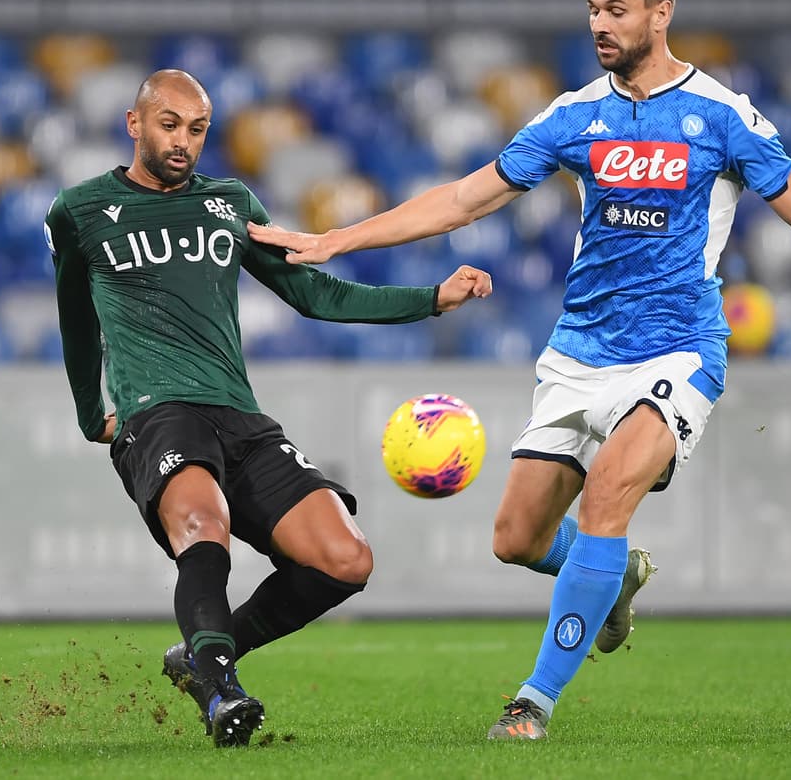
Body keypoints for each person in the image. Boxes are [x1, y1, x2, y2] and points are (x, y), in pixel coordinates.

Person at [248, 0, 791, 741]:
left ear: (661, 12)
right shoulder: (573, 116)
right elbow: (462, 200)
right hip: (580, 353)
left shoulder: (723, 115)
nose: (600, 24)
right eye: (593, 9)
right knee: (515, 539)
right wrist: (334, 240)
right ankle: (618, 574)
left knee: (607, 493)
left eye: (616, 9)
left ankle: (532, 703)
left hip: (678, 350)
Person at [45, 69, 492, 747]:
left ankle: (203, 657)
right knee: (205, 526)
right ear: (134, 124)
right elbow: (76, 320)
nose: (183, 141)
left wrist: (430, 299)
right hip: (159, 412)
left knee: (346, 558)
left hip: (240, 416)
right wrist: (90, 413)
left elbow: (314, 293)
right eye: (169, 125)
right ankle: (221, 693)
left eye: (197, 129)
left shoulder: (229, 203)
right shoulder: (78, 210)